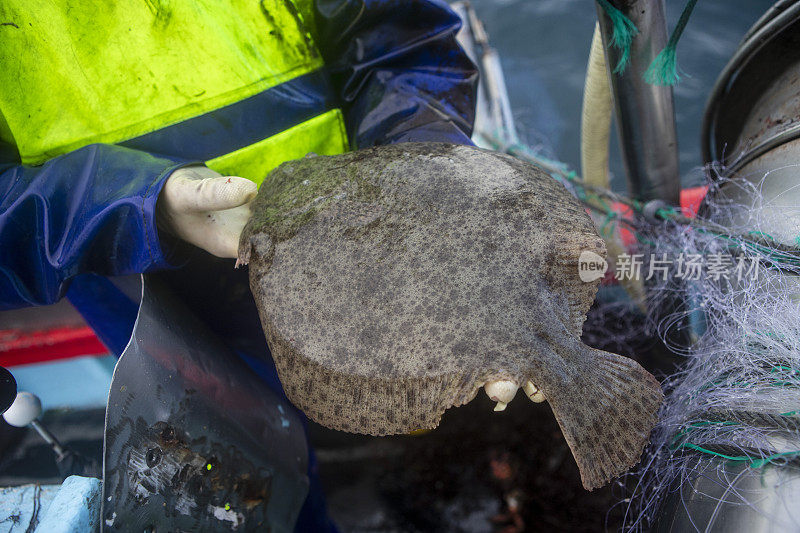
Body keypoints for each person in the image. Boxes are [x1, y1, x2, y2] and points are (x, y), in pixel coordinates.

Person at [0, 0, 477, 529]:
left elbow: (406, 42)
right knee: (249, 480)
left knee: (379, 377)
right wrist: (138, 204)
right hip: (131, 276)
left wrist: (415, 178)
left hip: (348, 239)